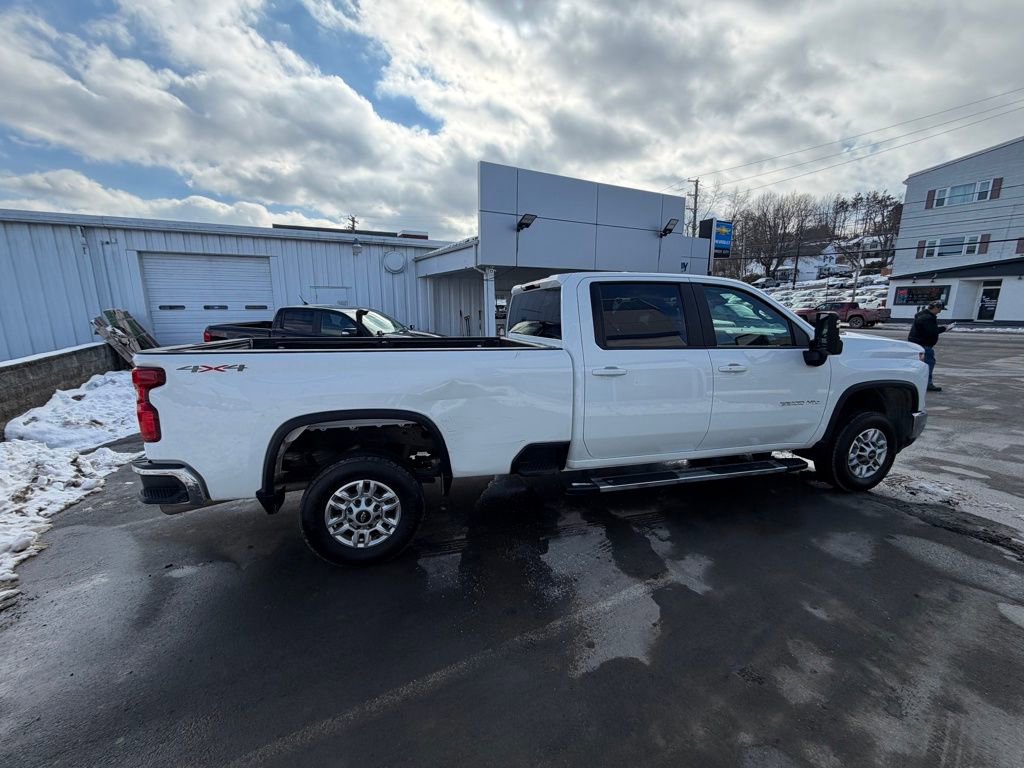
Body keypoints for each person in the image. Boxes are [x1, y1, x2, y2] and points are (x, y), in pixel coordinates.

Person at [908, 301, 955, 392]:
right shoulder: (928, 318)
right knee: (928, 364)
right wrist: (945, 328)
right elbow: (931, 331)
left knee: (919, 365)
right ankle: (927, 384)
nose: (940, 312)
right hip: (924, 344)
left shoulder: (922, 315)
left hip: (917, 343)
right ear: (936, 307)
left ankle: (916, 382)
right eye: (940, 309)